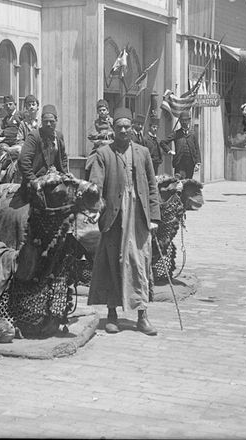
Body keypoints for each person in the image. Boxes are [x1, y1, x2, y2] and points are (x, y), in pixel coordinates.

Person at [87, 107, 161, 336]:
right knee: (113, 262)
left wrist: (155, 216)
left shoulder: (142, 152)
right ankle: (112, 315)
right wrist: (94, 206)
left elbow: (151, 185)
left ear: (132, 129)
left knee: (139, 262)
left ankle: (142, 315)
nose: (123, 130)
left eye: (127, 127)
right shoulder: (103, 154)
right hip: (114, 218)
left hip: (138, 216)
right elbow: (96, 185)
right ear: (113, 128)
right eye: (119, 126)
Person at [18, 104, 69, 193]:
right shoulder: (34, 136)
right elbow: (23, 160)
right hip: (37, 180)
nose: (48, 124)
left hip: (55, 178)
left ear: (56, 121)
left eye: (51, 121)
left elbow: (63, 158)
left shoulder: (59, 136)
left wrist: (64, 175)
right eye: (45, 121)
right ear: (41, 121)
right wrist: (33, 180)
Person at [161, 111, 200, 179]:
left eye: (185, 120)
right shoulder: (176, 134)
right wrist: (169, 151)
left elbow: (197, 148)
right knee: (179, 183)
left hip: (190, 164)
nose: (184, 122)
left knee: (188, 183)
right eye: (182, 120)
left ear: (189, 121)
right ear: (179, 121)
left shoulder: (193, 134)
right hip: (179, 164)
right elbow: (163, 142)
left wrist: (197, 163)